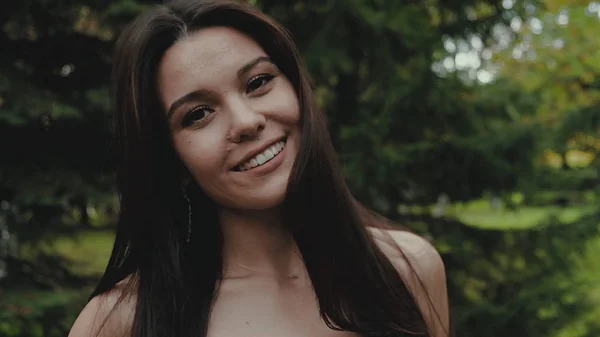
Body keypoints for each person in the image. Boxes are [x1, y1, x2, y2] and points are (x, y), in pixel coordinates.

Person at [68, 0, 449, 336]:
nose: (246, 121)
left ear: (298, 90)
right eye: (198, 114)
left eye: (259, 81)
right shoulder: (119, 322)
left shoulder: (409, 268)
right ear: (168, 158)